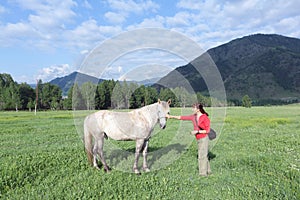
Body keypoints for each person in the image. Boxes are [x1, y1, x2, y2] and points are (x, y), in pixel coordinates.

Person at [166, 103, 211, 176]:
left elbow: (207, 130)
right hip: (198, 138)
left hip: (204, 138)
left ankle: (202, 174)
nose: (192, 109)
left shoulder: (204, 117)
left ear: (198, 109)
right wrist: (170, 116)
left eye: (194, 108)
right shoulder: (193, 117)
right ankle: (208, 171)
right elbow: (182, 117)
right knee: (203, 155)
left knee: (201, 156)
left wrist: (197, 131)